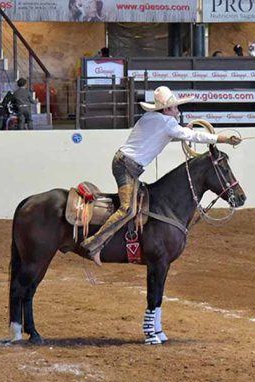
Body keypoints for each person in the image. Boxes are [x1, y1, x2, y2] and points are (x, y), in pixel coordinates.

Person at [80, 86, 242, 266]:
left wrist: (181, 130)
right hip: (127, 167)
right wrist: (224, 139)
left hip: (124, 164)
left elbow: (163, 135)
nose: (177, 111)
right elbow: (193, 136)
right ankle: (93, 244)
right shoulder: (166, 123)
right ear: (166, 109)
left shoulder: (150, 118)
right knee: (128, 209)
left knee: (132, 206)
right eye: (174, 108)